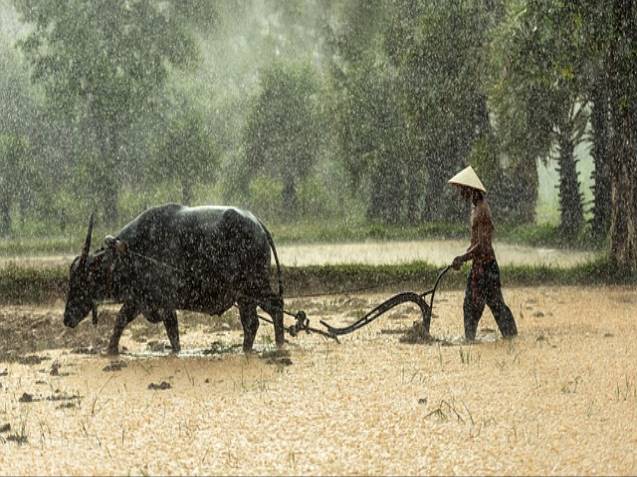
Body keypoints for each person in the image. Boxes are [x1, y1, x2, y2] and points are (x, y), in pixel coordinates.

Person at [448, 166, 518, 341]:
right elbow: (477, 243)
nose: (460, 193)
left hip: (485, 267)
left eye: (462, 189)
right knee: (493, 305)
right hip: (482, 266)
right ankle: (510, 338)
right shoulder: (476, 208)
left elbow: (483, 244)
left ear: (470, 189)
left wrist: (463, 258)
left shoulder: (482, 210)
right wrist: (466, 256)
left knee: (475, 305)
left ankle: (470, 342)